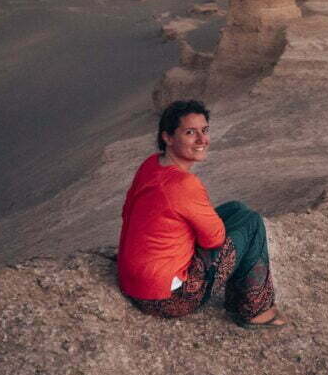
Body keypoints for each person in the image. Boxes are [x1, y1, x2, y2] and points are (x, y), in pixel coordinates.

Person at [117, 99, 286, 328]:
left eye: (204, 131)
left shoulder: (152, 164)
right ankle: (255, 310)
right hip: (165, 299)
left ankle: (242, 298)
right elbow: (214, 239)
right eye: (190, 132)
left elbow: (127, 210)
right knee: (252, 223)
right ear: (167, 137)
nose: (202, 140)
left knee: (235, 209)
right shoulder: (183, 184)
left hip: (133, 281)